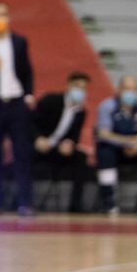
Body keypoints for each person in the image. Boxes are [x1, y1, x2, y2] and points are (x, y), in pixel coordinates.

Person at [0, 1, 35, 215]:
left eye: (3, 15)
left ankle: (25, 202)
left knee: (22, 152)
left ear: (9, 18)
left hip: (16, 102)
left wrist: (28, 94)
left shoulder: (19, 41)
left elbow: (27, 71)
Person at [95, 75, 137, 216]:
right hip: (115, 150)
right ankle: (108, 201)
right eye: (127, 89)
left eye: (134, 90)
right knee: (104, 152)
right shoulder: (107, 106)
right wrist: (130, 141)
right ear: (119, 89)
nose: (130, 93)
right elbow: (103, 134)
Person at [31, 70, 93, 213]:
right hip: (39, 145)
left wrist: (69, 143)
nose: (80, 91)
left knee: (81, 158)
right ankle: (25, 201)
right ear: (69, 85)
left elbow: (74, 136)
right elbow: (31, 123)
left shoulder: (81, 112)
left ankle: (75, 206)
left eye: (83, 88)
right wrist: (38, 138)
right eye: (77, 86)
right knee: (23, 155)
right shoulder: (50, 100)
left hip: (58, 149)